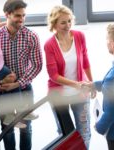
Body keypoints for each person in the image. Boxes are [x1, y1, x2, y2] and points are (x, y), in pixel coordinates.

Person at [44, 5, 95, 149]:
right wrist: (76, 84)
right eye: (63, 22)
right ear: (54, 24)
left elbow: (85, 61)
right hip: (59, 96)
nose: (67, 26)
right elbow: (53, 75)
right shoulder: (49, 45)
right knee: (65, 134)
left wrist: (91, 83)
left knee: (84, 132)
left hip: (80, 92)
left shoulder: (79, 36)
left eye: (69, 21)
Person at [0, 0, 43, 150]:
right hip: (2, 91)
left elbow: (37, 65)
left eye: (24, 15)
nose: (21, 19)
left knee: (26, 130)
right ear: (7, 14)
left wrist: (17, 83)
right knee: (7, 131)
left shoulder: (31, 36)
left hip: (25, 88)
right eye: (17, 15)